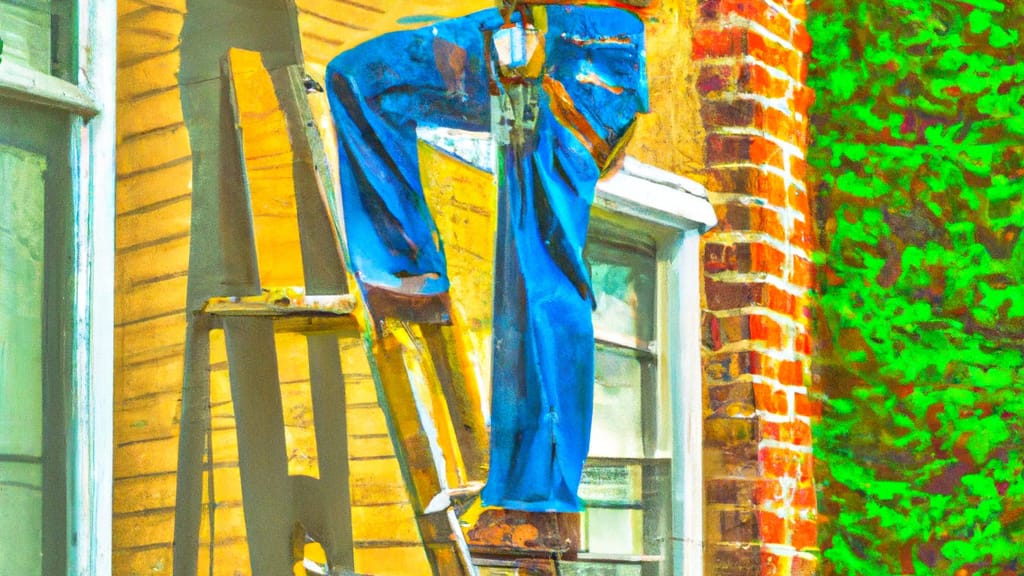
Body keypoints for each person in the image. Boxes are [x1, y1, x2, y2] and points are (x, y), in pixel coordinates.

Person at [327, 4, 648, 512]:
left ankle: (536, 496)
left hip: (585, 41)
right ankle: (408, 270)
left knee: (537, 262)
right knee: (362, 78)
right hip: (511, 31)